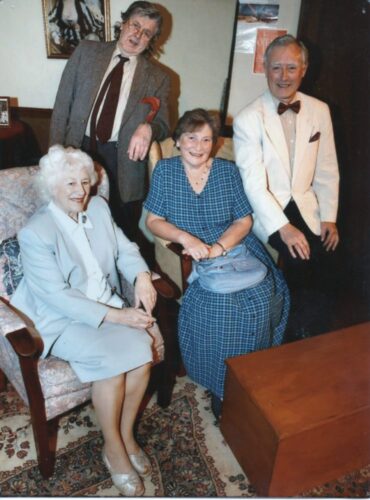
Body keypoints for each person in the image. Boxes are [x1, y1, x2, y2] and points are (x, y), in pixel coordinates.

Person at [11, 145, 164, 496]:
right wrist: (119, 315)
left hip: (104, 303)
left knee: (142, 352)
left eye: (84, 181)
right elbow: (56, 297)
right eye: (69, 184)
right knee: (112, 365)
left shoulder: (97, 206)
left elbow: (125, 250)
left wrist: (141, 276)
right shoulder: (36, 232)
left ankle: (125, 436)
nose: (80, 190)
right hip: (60, 318)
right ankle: (113, 451)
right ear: (52, 187)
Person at [144, 109, 289, 418]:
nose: (198, 146)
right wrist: (187, 239)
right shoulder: (166, 172)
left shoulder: (227, 171)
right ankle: (222, 386)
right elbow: (153, 221)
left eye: (206, 139)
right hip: (192, 254)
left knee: (266, 294)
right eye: (191, 138)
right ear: (178, 141)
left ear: (215, 143)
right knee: (220, 307)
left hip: (234, 248)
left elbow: (244, 220)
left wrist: (221, 246)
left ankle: (249, 378)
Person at [233, 34, 340, 340]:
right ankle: (292, 344)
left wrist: (329, 217)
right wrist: (283, 227)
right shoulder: (247, 119)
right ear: (265, 68)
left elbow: (327, 169)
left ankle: (313, 340)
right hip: (269, 207)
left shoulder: (320, 111)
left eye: (291, 68)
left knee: (329, 262)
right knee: (301, 260)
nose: (283, 76)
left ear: (303, 69)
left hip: (306, 204)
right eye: (276, 68)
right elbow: (253, 184)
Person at [49, 1, 170, 242]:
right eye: (135, 25)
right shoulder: (86, 52)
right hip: (76, 150)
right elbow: (62, 105)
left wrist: (148, 127)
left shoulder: (159, 77)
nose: (137, 35)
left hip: (121, 163)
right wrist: (54, 155)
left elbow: (165, 124)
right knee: (69, 224)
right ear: (123, 23)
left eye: (146, 33)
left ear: (152, 40)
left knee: (119, 233)